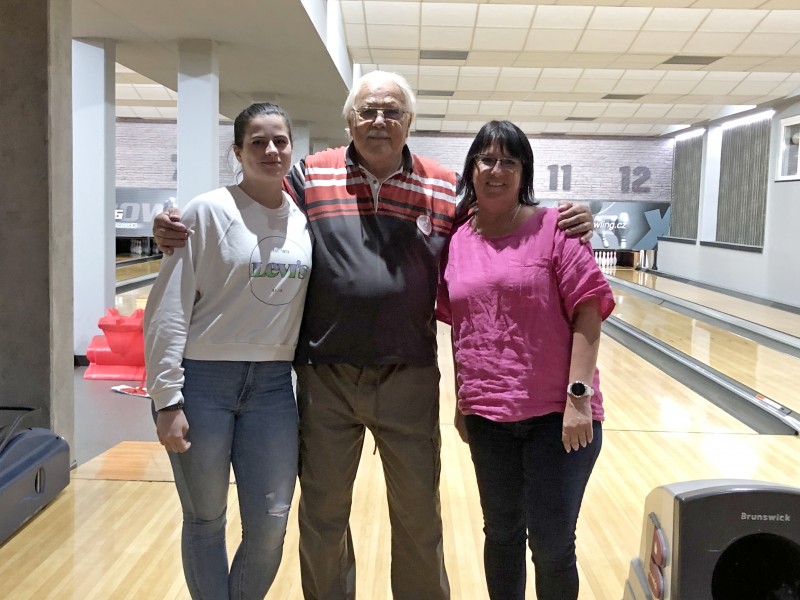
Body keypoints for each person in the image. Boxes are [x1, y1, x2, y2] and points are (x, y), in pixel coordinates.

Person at [153, 71, 595, 600]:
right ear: (349, 121)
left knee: (418, 517)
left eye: (391, 111)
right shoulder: (309, 175)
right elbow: (253, 199)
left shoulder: (443, 186)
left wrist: (572, 215)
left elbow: (503, 214)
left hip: (408, 375)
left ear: (409, 122)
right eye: (367, 111)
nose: (379, 121)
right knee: (322, 517)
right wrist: (170, 220)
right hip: (325, 377)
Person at [435, 120, 615, 600]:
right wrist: (463, 401)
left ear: (523, 173)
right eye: (486, 159)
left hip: (557, 417)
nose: (496, 170)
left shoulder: (556, 228)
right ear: (471, 168)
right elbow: (462, 326)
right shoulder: (458, 239)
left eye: (509, 162)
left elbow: (588, 311)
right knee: (501, 534)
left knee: (552, 546)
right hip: (488, 417)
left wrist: (579, 398)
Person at [144, 102, 312, 599]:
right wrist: (166, 399)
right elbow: (168, 307)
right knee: (205, 520)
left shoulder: (304, 221)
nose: (270, 150)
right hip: (202, 383)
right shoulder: (205, 211)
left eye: (279, 140)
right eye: (257, 142)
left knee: (271, 525)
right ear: (237, 152)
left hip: (273, 387)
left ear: (292, 149)